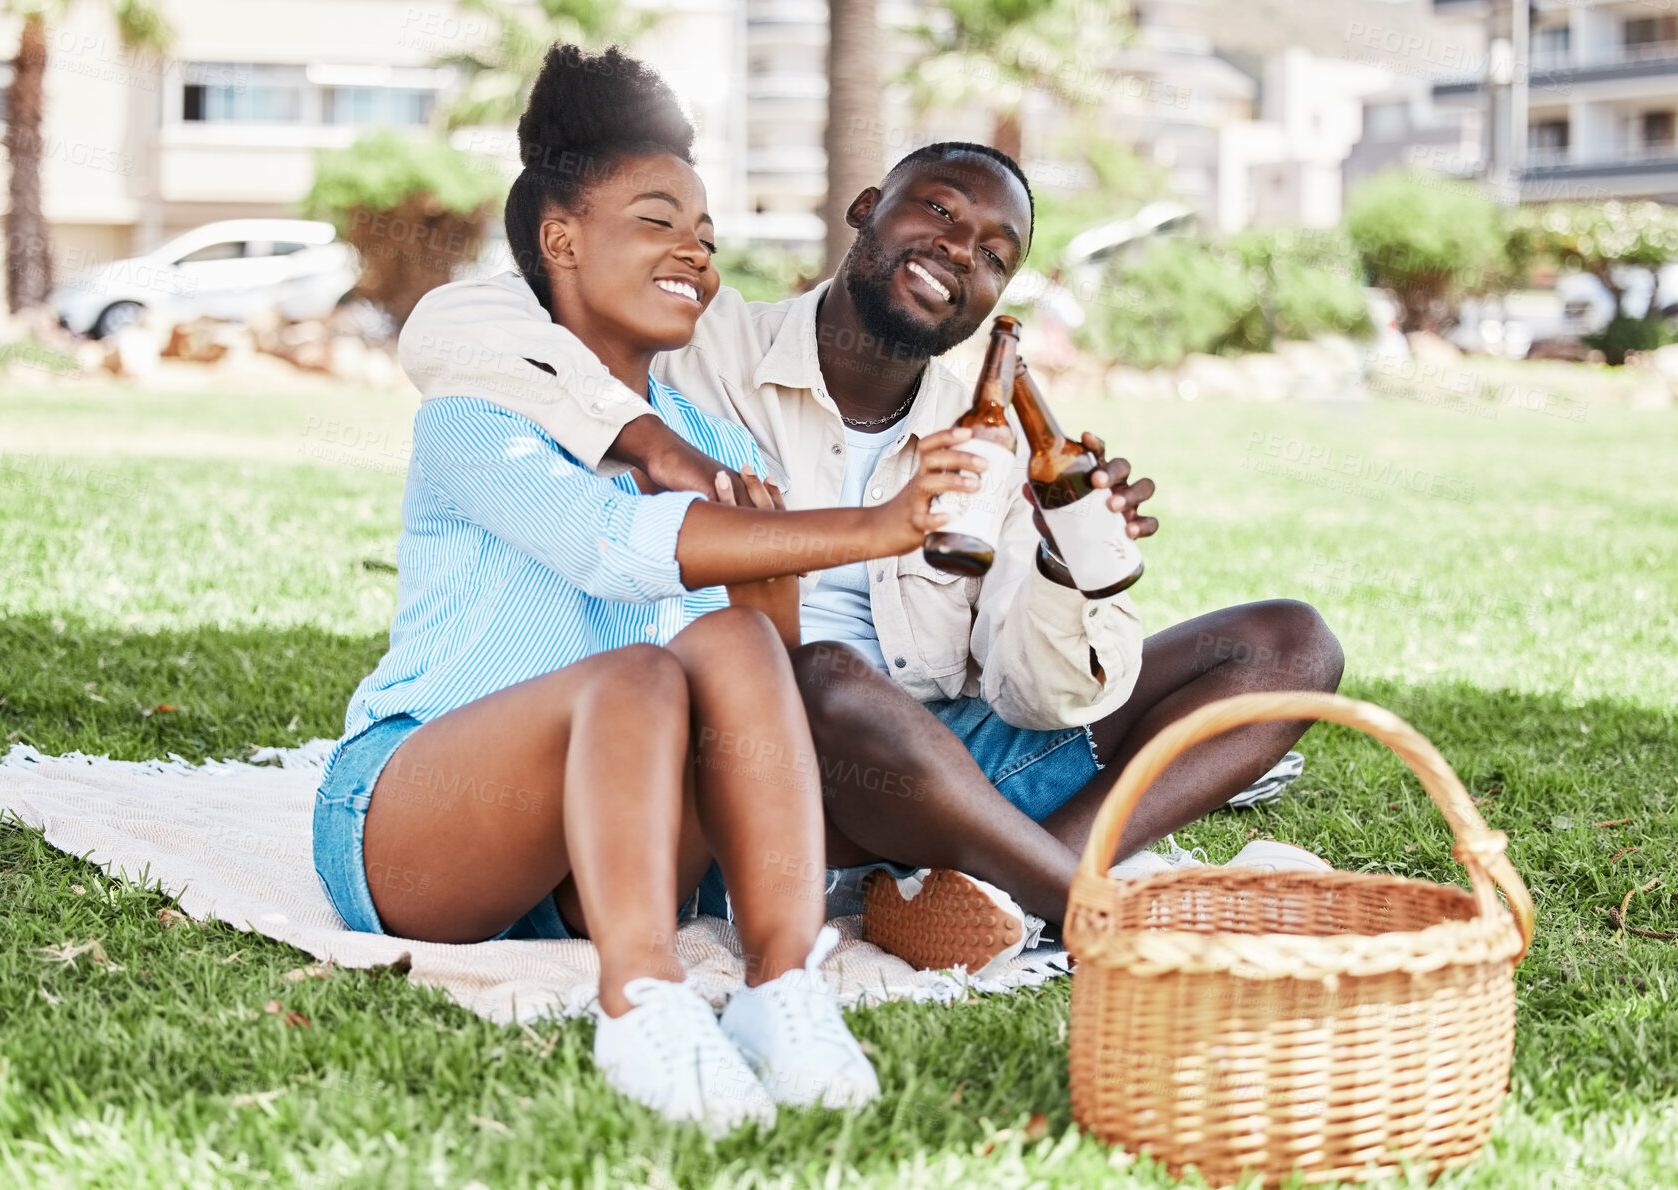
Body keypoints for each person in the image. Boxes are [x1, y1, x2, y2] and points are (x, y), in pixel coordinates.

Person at [401, 128, 1345, 971]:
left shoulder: (998, 437)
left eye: (992, 254)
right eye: (936, 208)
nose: (956, 249)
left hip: (943, 759)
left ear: (994, 298)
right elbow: (461, 320)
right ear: (866, 210)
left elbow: (1035, 696)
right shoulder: (704, 343)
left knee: (1288, 646)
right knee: (826, 675)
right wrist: (651, 441)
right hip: (775, 751)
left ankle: (1006, 892)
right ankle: (1069, 897)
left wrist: (1064, 567)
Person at [314, 45, 988, 1133]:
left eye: (707, 234)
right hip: (420, 823)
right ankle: (640, 999)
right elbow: (609, 545)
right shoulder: (475, 419)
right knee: (627, 674)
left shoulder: (718, 443)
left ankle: (781, 985)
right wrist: (870, 526)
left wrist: (768, 560)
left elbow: (754, 660)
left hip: (602, 855)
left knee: (726, 654)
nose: (695, 250)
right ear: (560, 239)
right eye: (657, 219)